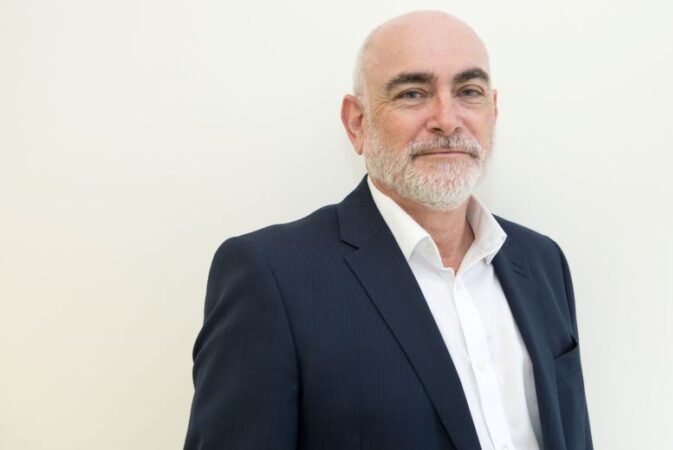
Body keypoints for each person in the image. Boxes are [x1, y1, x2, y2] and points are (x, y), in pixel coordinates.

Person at [184, 10, 592, 450]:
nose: (447, 119)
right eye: (413, 93)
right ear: (356, 123)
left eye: (468, 92)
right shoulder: (272, 277)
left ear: (493, 110)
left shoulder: (542, 262)